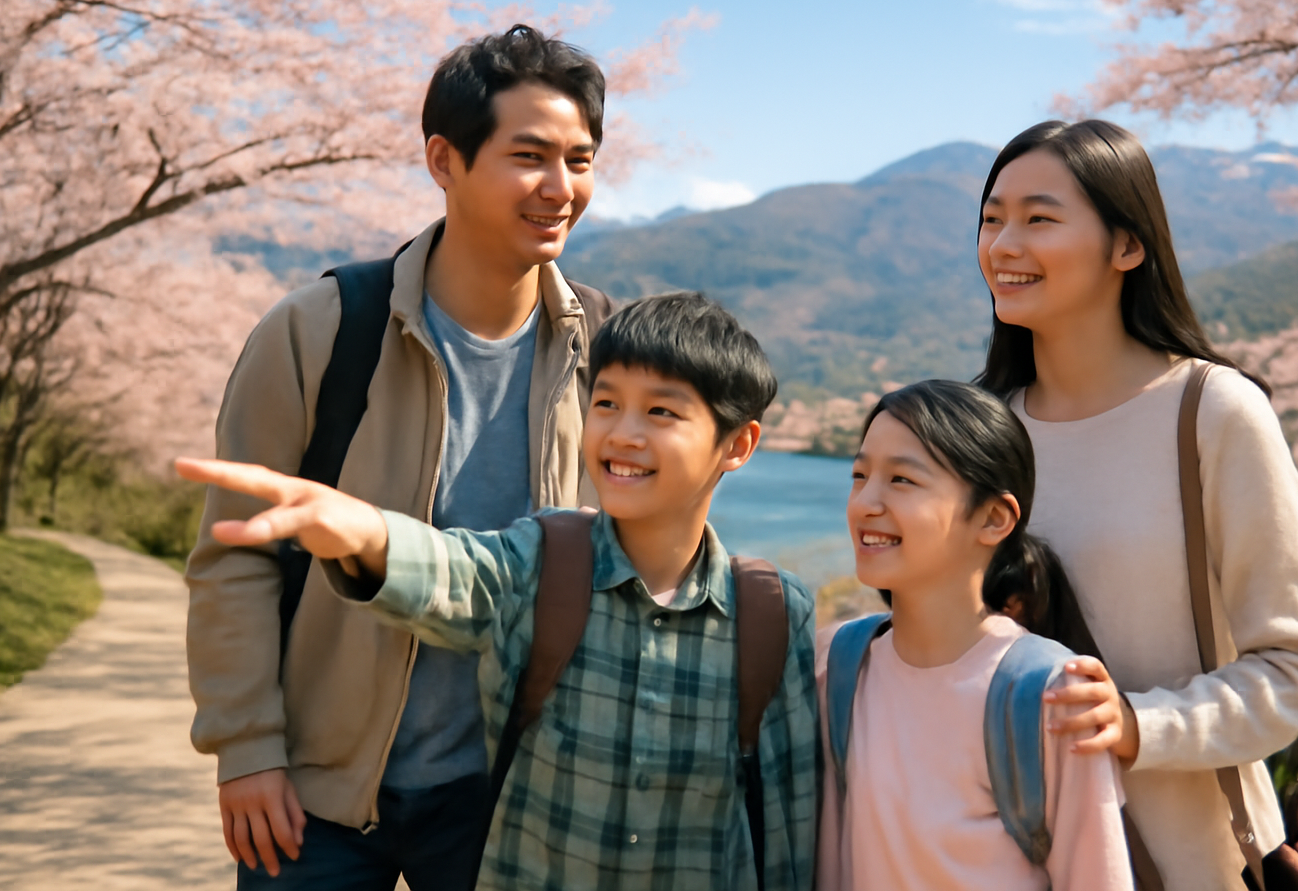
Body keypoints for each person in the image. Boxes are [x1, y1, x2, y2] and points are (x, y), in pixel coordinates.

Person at [178, 292, 820, 891]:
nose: (623, 433)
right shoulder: (548, 560)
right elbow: (449, 572)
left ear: (738, 444)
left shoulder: (770, 615)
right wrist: (361, 530)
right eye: (605, 402)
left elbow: (786, 821)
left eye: (661, 411)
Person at [184, 24, 614, 888]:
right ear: (443, 160)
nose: (560, 188)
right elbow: (236, 560)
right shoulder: (320, 331)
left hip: (510, 798)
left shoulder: (604, 348)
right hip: (319, 796)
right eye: (529, 156)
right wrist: (248, 751)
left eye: (581, 158)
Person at [975, 119, 1298, 890]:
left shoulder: (1211, 412)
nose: (1004, 245)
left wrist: (1142, 726)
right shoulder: (979, 430)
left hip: (1188, 864)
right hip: (1004, 857)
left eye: (1039, 218)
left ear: (1127, 246)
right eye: (991, 219)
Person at [816, 379, 1134, 891]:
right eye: (859, 475)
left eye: (901, 480)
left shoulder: (1054, 694)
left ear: (993, 518)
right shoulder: (838, 665)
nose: (865, 502)